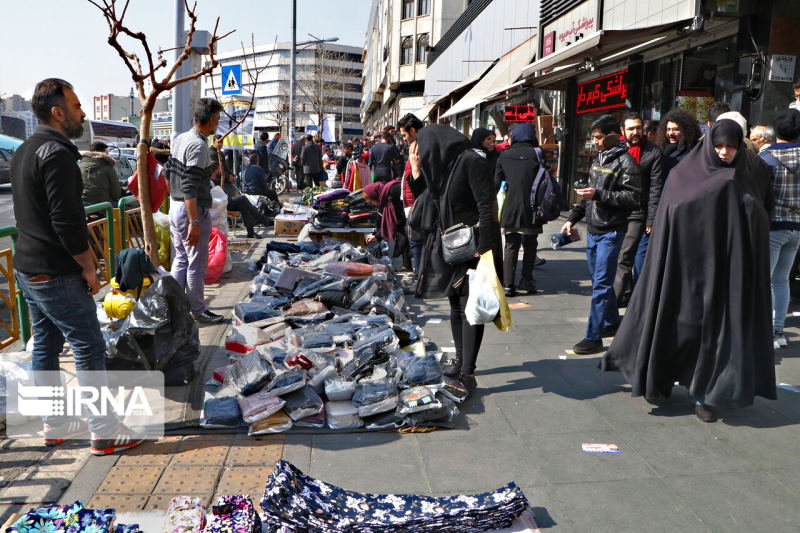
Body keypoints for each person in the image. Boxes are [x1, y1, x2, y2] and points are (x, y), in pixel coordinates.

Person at [601, 119, 775, 422]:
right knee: (679, 325)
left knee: (714, 334)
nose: (724, 152)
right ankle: (660, 380)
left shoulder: (748, 175)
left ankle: (703, 393)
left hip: (726, 272)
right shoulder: (683, 174)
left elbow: (760, 215)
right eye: (719, 146)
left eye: (731, 147)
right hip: (683, 269)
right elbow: (673, 213)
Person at [11, 78, 143, 455]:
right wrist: (89, 267)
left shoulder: (25, 151)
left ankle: (55, 424)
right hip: (56, 271)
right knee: (88, 345)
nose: (82, 113)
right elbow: (67, 221)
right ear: (58, 112)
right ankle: (103, 430)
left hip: (28, 267)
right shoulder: (57, 153)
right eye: (77, 105)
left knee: (46, 347)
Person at [411, 125, 502, 388]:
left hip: (472, 246)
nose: (425, 154)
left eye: (426, 150)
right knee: (455, 303)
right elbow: (427, 201)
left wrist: (484, 251)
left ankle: (468, 372)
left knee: (469, 306)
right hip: (450, 246)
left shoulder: (471, 161)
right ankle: (460, 360)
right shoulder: (443, 167)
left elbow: (487, 206)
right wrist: (417, 171)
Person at [561, 115, 641, 355]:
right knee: (599, 283)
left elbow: (634, 198)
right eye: (593, 137)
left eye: (597, 137)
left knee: (602, 285)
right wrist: (573, 217)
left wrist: (599, 194)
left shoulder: (627, 163)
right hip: (593, 229)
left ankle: (593, 336)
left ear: (611, 136)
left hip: (611, 231)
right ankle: (610, 322)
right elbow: (588, 195)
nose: (594, 142)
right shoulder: (599, 158)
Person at [165, 98, 225, 325]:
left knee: (181, 259)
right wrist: (194, 221)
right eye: (217, 120)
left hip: (176, 206)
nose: (217, 124)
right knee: (196, 264)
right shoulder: (198, 146)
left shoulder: (181, 138)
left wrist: (176, 200)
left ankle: (174, 309)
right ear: (210, 120)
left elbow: (168, 173)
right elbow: (190, 186)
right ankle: (197, 310)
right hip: (191, 210)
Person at [614, 112, 664, 306]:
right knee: (618, 257)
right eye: (631, 128)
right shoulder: (616, 150)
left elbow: (655, 188)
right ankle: (625, 295)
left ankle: (620, 302)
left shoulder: (653, 152)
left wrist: (651, 219)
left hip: (637, 211)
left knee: (625, 257)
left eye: (638, 128)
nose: (635, 132)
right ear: (622, 130)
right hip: (615, 210)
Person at [760, 108, 800, 349]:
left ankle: (767, 332)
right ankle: (778, 332)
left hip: (773, 225)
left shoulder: (765, 157)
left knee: (765, 281)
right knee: (782, 280)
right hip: (796, 227)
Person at [494, 123, 541, 296]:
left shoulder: (504, 155)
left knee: (511, 244)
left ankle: (508, 284)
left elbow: (496, 180)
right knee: (530, 243)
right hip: (532, 206)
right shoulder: (537, 153)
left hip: (511, 206)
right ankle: (527, 281)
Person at [398, 113, 427, 285]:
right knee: (415, 241)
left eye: (404, 135)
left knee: (415, 241)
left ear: (413, 130)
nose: (403, 139)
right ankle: (419, 276)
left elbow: (419, 177)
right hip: (412, 201)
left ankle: (419, 278)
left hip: (417, 202)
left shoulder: (420, 148)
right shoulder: (415, 146)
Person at [362, 180, 411, 269]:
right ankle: (407, 265)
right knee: (402, 234)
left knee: (405, 236)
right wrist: (375, 235)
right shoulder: (385, 197)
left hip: (417, 212)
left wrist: (377, 236)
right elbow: (382, 221)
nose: (372, 204)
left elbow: (394, 221)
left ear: (375, 196)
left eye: (371, 201)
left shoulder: (393, 192)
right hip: (408, 214)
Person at [79, 141, 123, 207]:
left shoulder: (79, 166)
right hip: (103, 206)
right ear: (104, 152)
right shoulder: (108, 167)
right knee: (121, 207)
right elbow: (116, 194)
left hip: (82, 205)